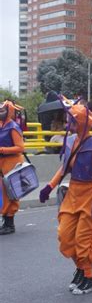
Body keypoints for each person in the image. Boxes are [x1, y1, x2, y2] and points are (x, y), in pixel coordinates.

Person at [39, 102, 92, 294]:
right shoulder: (70, 141)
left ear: (82, 123)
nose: (68, 123)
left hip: (91, 195)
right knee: (66, 236)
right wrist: (49, 187)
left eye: (72, 120)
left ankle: (88, 276)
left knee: (84, 239)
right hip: (73, 193)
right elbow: (65, 168)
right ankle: (80, 269)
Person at [0, 100, 25, 235]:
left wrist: (2, 149)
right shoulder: (1, 125)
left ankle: (9, 224)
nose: (0, 113)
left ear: (9, 112)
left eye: (3, 111)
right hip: (2, 163)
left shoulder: (13, 127)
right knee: (3, 194)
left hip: (12, 163)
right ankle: (5, 221)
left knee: (11, 193)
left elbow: (20, 147)